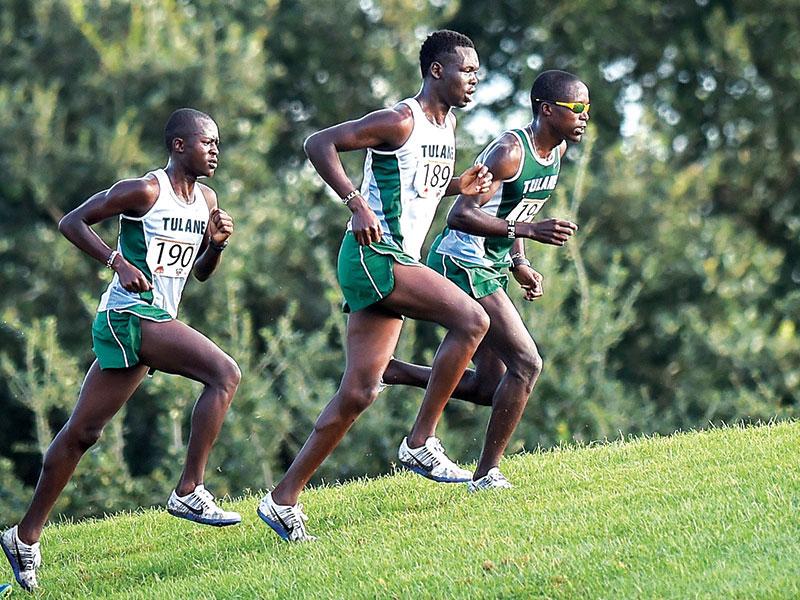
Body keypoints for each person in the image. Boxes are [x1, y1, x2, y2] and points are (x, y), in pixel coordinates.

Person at [257, 30, 492, 542]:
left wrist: (459, 187)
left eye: (477, 71)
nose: (475, 79)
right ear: (436, 72)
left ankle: (282, 499)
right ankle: (421, 441)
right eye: (466, 71)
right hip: (372, 256)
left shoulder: (446, 124)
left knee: (360, 390)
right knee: (473, 319)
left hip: (393, 258)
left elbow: (416, 185)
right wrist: (354, 202)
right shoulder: (400, 119)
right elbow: (318, 143)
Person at [1, 108, 241, 592]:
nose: (215, 150)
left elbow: (199, 273)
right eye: (206, 142)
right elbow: (73, 222)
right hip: (127, 315)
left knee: (82, 432)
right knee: (224, 373)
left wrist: (214, 246)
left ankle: (23, 537)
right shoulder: (145, 191)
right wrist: (116, 261)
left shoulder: (207, 200)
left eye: (217, 143)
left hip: (157, 319)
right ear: (178, 145)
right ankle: (189, 490)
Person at [381, 69, 588, 491]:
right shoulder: (510, 152)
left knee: (488, 387)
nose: (584, 117)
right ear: (547, 110)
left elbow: (513, 210)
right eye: (577, 109)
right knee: (528, 364)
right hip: (461, 262)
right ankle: (486, 474)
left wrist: (518, 262)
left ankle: (395, 372)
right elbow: (461, 213)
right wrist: (527, 234)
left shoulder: (558, 151)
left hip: (491, 267)